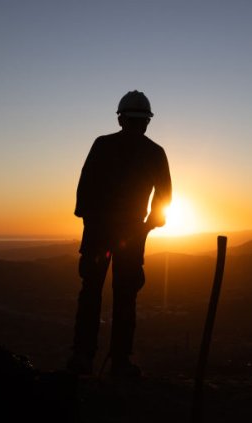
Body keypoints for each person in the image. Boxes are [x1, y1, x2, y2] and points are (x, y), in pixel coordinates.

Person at [66, 91, 172, 378]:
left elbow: (85, 188)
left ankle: (83, 357)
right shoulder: (154, 152)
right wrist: (148, 224)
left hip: (99, 233)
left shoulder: (103, 145)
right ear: (147, 122)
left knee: (90, 294)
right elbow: (164, 197)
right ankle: (120, 362)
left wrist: (92, 220)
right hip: (131, 234)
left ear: (120, 118)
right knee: (125, 297)